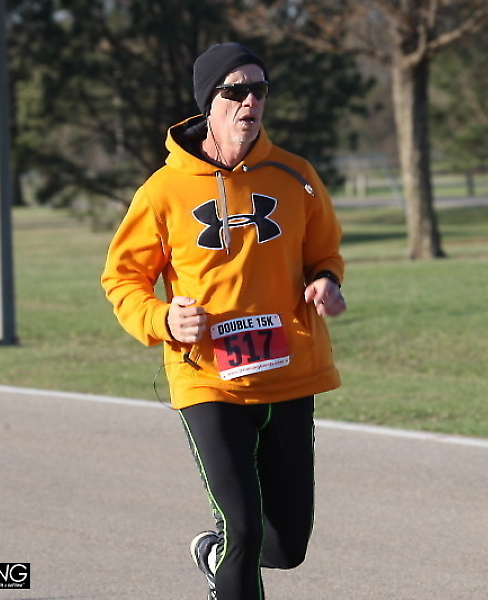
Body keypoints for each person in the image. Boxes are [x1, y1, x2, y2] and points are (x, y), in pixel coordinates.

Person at [100, 42, 346, 600]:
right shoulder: (163, 191)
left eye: (259, 90)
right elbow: (122, 278)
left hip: (289, 373)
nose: (250, 102)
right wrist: (163, 317)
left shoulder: (295, 175)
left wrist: (326, 281)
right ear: (207, 103)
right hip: (208, 379)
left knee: (286, 545)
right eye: (235, 91)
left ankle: (213, 555)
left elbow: (324, 252)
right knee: (243, 530)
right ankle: (228, 555)